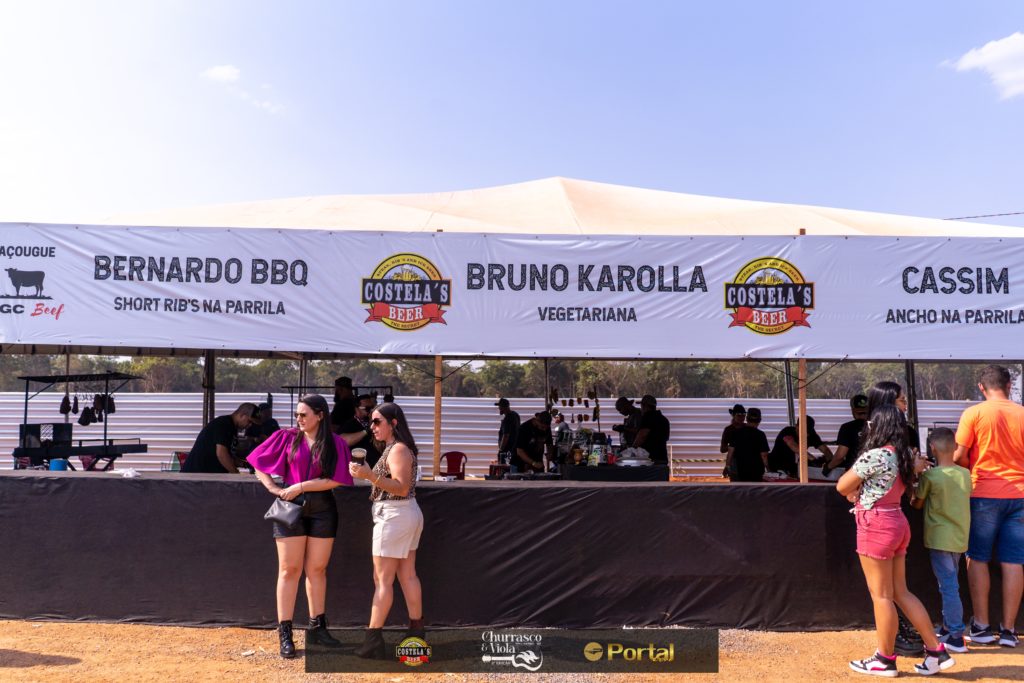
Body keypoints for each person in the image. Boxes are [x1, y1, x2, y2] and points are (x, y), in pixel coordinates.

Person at [837, 404, 955, 677]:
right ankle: (936, 650)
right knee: (901, 592)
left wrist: (855, 492)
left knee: (881, 596)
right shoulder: (904, 455)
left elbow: (842, 485)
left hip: (876, 524)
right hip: (896, 521)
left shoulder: (875, 455)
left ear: (878, 426)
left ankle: (885, 659)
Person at [246, 394, 353, 659]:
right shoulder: (287, 437)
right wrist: (273, 487)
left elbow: (337, 479)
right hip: (290, 506)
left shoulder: (335, 443)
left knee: (317, 570)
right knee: (289, 570)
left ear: (320, 415)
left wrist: (300, 486)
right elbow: (256, 461)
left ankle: (318, 628)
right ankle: (285, 632)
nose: (299, 419)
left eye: (304, 414)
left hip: (322, 508)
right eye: (297, 414)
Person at [953, 364, 1024, 648]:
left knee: (978, 557)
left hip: (982, 492)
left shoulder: (973, 413)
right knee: (1014, 561)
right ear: (1009, 385)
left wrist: (973, 469)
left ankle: (981, 626)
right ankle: (1008, 630)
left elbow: (959, 455)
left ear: (981, 388)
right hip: (1020, 495)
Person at [348, 402, 425, 659]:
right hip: (403, 514)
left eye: (377, 421)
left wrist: (370, 476)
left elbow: (401, 487)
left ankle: (373, 639)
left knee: (383, 580)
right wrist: (368, 475)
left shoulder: (398, 449)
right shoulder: (396, 448)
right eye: (371, 421)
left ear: (393, 423)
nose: (372, 427)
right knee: (407, 575)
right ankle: (416, 632)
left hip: (394, 515)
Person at [910, 427, 971, 653]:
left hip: (939, 537)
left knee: (948, 586)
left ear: (932, 449)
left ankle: (955, 635)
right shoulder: (965, 474)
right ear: (955, 447)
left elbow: (917, 503)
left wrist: (915, 481)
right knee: (950, 583)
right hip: (959, 537)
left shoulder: (930, 476)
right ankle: (948, 627)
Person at [181, 403, 257, 473]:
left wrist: (245, 464)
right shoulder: (224, 424)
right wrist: (236, 474)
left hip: (206, 475)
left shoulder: (232, 428)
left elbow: (228, 456)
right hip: (197, 475)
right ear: (242, 415)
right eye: (249, 421)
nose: (250, 425)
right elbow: (222, 454)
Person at [768, 416, 833, 477]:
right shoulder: (787, 431)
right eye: (803, 431)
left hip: (794, 469)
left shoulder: (812, 435)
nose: (806, 434)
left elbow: (825, 450)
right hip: (777, 467)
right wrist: (813, 459)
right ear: (796, 426)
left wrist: (830, 464)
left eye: (808, 432)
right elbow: (793, 446)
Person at [823, 394, 869, 476]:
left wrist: (828, 467)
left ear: (853, 410)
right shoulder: (879, 426)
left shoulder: (847, 427)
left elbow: (840, 456)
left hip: (854, 473)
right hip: (875, 472)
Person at [725, 407, 770, 482]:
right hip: (756, 472)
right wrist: (769, 470)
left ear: (746, 418)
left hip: (740, 472)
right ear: (760, 420)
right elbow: (764, 456)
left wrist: (728, 466)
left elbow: (730, 452)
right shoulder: (761, 435)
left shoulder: (736, 433)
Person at [339, 394, 383, 467]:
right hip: (360, 467)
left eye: (372, 408)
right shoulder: (350, 424)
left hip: (377, 467)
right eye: (367, 408)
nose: (371, 411)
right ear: (357, 409)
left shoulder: (376, 422)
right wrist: (366, 430)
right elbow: (343, 441)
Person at [633, 395, 670, 464]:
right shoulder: (664, 419)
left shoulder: (647, 417)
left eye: (641, 406)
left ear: (645, 406)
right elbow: (666, 438)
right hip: (662, 458)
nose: (641, 408)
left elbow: (642, 435)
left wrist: (632, 449)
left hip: (649, 459)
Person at [721, 404, 747, 477]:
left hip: (748, 460)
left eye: (743, 415)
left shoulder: (747, 427)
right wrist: (734, 445)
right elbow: (722, 449)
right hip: (734, 462)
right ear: (733, 415)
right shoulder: (728, 430)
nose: (742, 418)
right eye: (739, 415)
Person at [495, 398, 521, 465]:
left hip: (507, 451)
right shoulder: (515, 415)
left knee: (504, 468)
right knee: (513, 467)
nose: (499, 408)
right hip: (515, 449)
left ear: (504, 407)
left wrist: (501, 450)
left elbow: (506, 435)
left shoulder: (507, 419)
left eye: (500, 407)